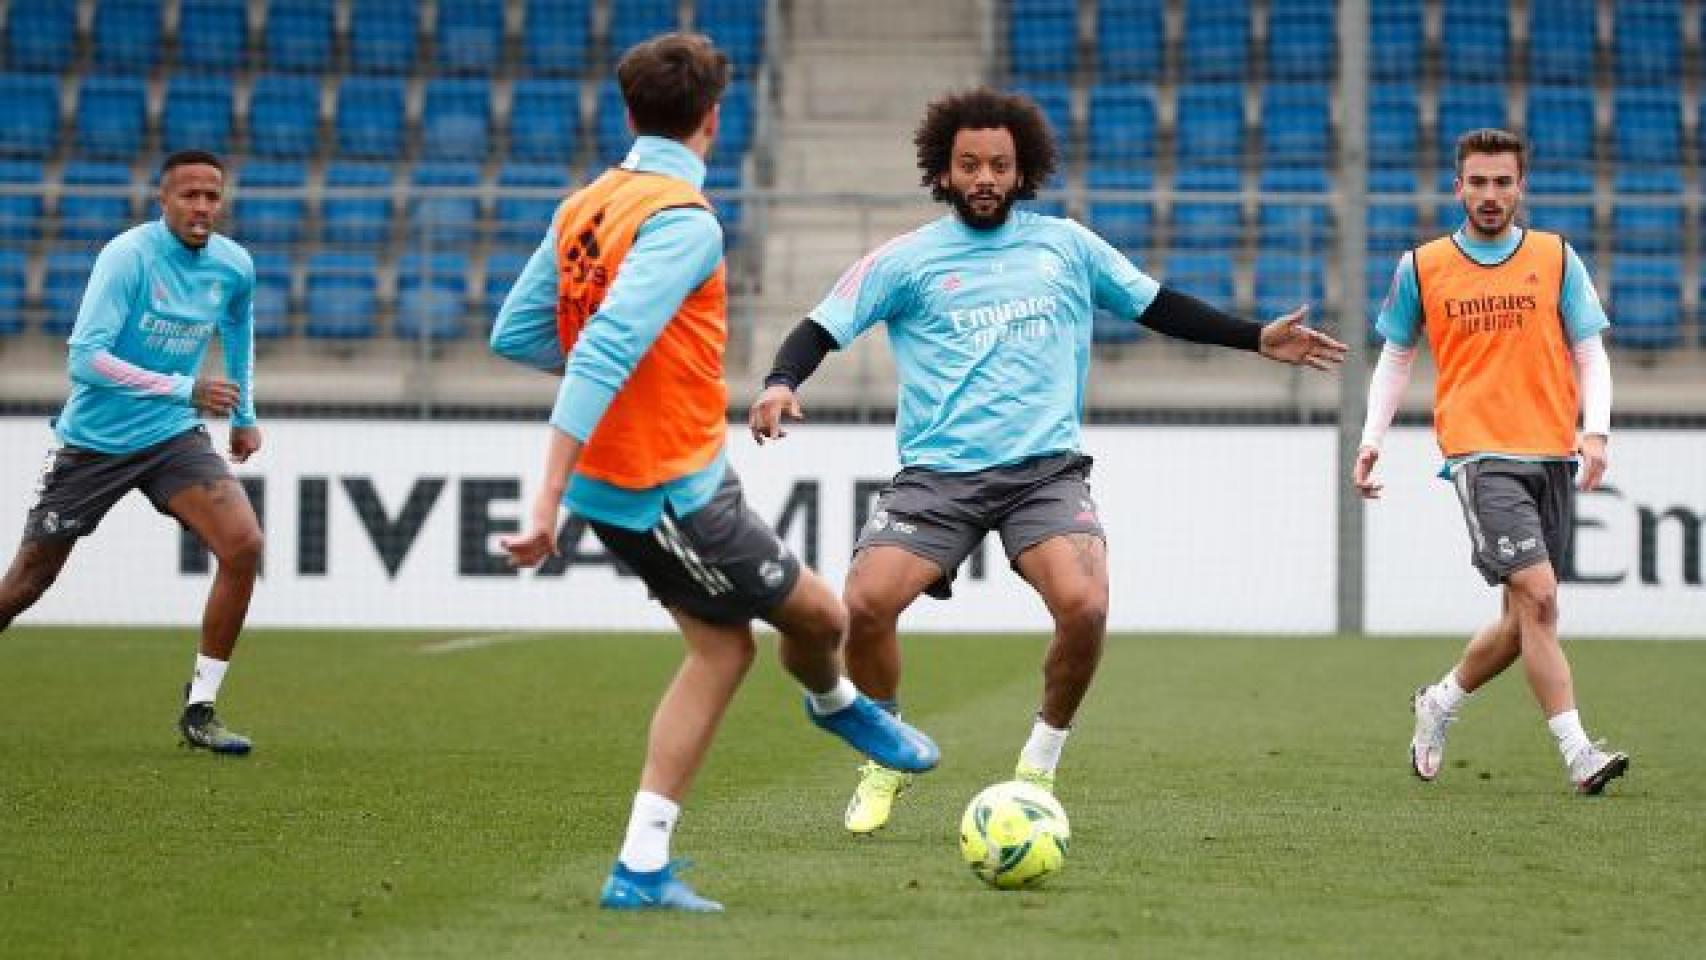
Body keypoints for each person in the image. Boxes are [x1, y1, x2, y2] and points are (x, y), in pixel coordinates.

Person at [749, 87, 1347, 835]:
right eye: (969, 164)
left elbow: (1156, 304)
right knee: (864, 608)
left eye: (1000, 164)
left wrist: (1254, 336)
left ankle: (1038, 763)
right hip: (938, 478)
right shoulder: (905, 260)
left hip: (1045, 474)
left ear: (1023, 169)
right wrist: (780, 383)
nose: (984, 178)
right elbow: (820, 327)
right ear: (943, 171)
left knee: (1086, 606)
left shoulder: (1067, 246)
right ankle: (885, 752)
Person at [490, 33, 939, 913]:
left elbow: (518, 332)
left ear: (628, 114)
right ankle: (641, 866)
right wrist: (545, 495)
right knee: (725, 649)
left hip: (682, 472)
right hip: (659, 490)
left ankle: (835, 703)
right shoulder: (683, 224)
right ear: (714, 120)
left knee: (820, 614)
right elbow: (603, 350)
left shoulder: (585, 204)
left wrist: (632, 385)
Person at [1354, 128, 1629, 795]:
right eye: (1478, 182)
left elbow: (1589, 351)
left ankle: (1440, 701)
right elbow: (1396, 356)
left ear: (1520, 186)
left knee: (1521, 620)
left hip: (1553, 449)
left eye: (1502, 182)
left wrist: (1595, 433)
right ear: (1458, 187)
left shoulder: (1556, 257)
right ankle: (1577, 753)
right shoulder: (1422, 266)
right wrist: (1371, 438)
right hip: (1480, 452)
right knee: (1540, 596)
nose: (1490, 195)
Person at [0, 150, 263, 755]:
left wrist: (244, 414)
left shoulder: (233, 265)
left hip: (172, 436)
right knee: (27, 582)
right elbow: (84, 359)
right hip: (93, 445)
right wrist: (185, 386)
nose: (202, 207)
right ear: (163, 200)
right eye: (189, 195)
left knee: (243, 544)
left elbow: (238, 331)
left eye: (212, 196)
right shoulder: (128, 256)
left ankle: (200, 710)